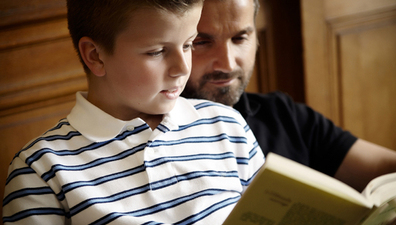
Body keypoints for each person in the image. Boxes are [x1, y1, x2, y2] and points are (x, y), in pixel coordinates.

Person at [2, 0, 265, 224]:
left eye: (188, 45)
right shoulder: (40, 170)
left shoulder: (228, 127)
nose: (183, 68)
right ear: (95, 55)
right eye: (157, 51)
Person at [181, 0, 396, 193]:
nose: (228, 63)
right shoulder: (153, 143)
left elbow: (391, 168)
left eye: (239, 38)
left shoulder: (283, 115)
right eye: (202, 42)